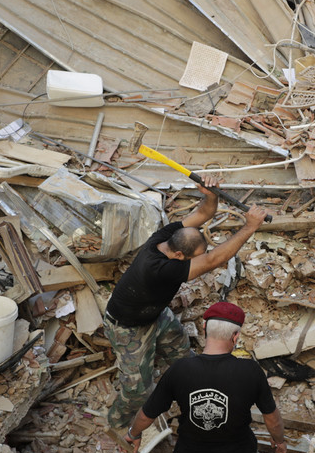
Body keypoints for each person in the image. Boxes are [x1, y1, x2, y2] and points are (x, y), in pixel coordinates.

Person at [104, 179, 269, 430]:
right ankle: (116, 424)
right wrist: (249, 227)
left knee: (181, 350)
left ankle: (190, 381)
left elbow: (202, 213)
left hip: (155, 314)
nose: (199, 260)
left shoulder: (164, 237)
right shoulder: (160, 269)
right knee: (137, 389)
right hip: (128, 327)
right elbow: (215, 259)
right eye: (195, 258)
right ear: (179, 256)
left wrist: (209, 195)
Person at [123, 302, 288, 453]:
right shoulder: (250, 371)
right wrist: (279, 441)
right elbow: (272, 418)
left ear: (203, 329)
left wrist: (133, 434)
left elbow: (147, 414)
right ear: (236, 336)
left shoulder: (180, 370)